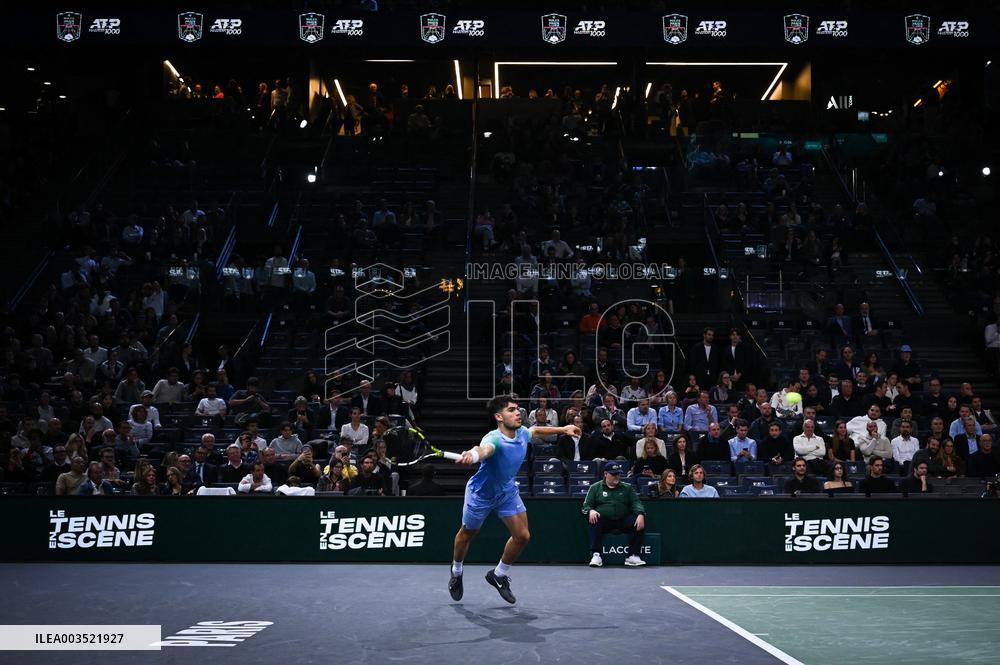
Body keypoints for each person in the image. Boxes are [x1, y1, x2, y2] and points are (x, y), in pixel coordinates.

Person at [449, 395, 579, 604]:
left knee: (523, 536)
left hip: (507, 492)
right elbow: (483, 450)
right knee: (467, 534)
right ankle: (456, 571)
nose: (518, 412)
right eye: (511, 410)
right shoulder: (493, 439)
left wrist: (563, 429)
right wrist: (473, 455)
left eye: (518, 408)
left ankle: (498, 575)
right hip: (481, 494)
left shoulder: (522, 433)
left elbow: (535, 431)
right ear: (499, 417)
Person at [583, 461, 647, 567]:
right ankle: (596, 554)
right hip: (604, 520)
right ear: (605, 474)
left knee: (636, 522)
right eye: (613, 474)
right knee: (594, 520)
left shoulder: (627, 488)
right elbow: (586, 505)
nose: (616, 477)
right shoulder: (595, 487)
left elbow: (636, 502)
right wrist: (591, 510)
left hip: (623, 519)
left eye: (618, 474)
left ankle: (632, 556)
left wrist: (640, 514)